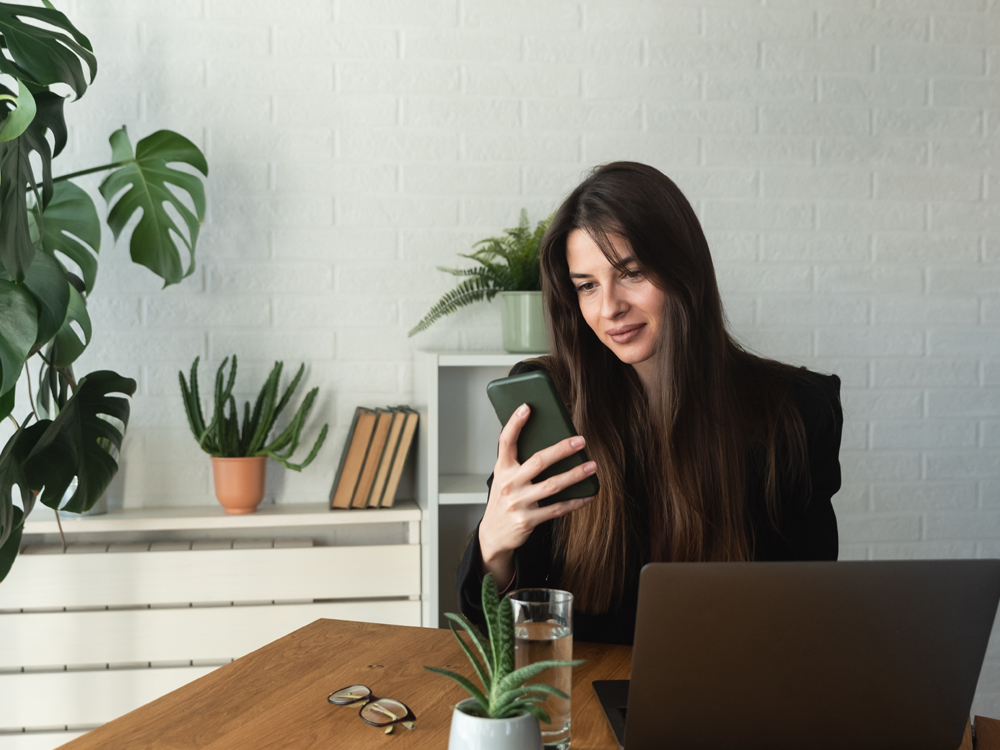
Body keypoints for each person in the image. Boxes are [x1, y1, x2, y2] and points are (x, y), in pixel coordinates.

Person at [456, 162, 844, 645]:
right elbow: (497, 631)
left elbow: (807, 612)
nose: (608, 307)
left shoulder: (796, 413)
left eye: (632, 273)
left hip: (731, 701)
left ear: (685, 271)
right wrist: (492, 547)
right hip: (582, 699)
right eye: (587, 285)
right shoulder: (550, 399)